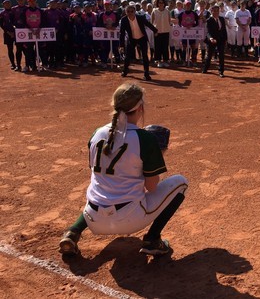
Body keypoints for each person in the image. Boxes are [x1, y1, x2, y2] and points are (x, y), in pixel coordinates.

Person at [59, 83, 188, 256]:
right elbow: (151, 187)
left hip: (93, 219)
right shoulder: (145, 139)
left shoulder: (97, 133)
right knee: (180, 183)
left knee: (101, 186)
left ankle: (73, 231)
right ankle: (153, 240)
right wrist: (152, 158)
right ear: (140, 108)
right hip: (129, 219)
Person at [119, 4, 158, 81]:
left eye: (132, 11)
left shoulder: (140, 18)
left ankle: (146, 74)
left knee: (145, 56)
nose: (130, 13)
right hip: (132, 39)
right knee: (127, 56)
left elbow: (148, 24)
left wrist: (155, 31)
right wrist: (121, 45)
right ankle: (125, 70)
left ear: (135, 12)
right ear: (125, 12)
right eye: (128, 11)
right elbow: (122, 33)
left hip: (142, 38)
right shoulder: (124, 20)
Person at [202, 4, 227, 77]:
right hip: (212, 40)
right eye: (214, 11)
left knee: (221, 55)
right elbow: (208, 32)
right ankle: (205, 68)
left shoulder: (222, 19)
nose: (216, 12)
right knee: (209, 55)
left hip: (221, 39)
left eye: (217, 11)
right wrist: (211, 38)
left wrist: (225, 39)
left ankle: (221, 71)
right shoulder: (209, 20)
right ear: (211, 12)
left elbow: (224, 30)